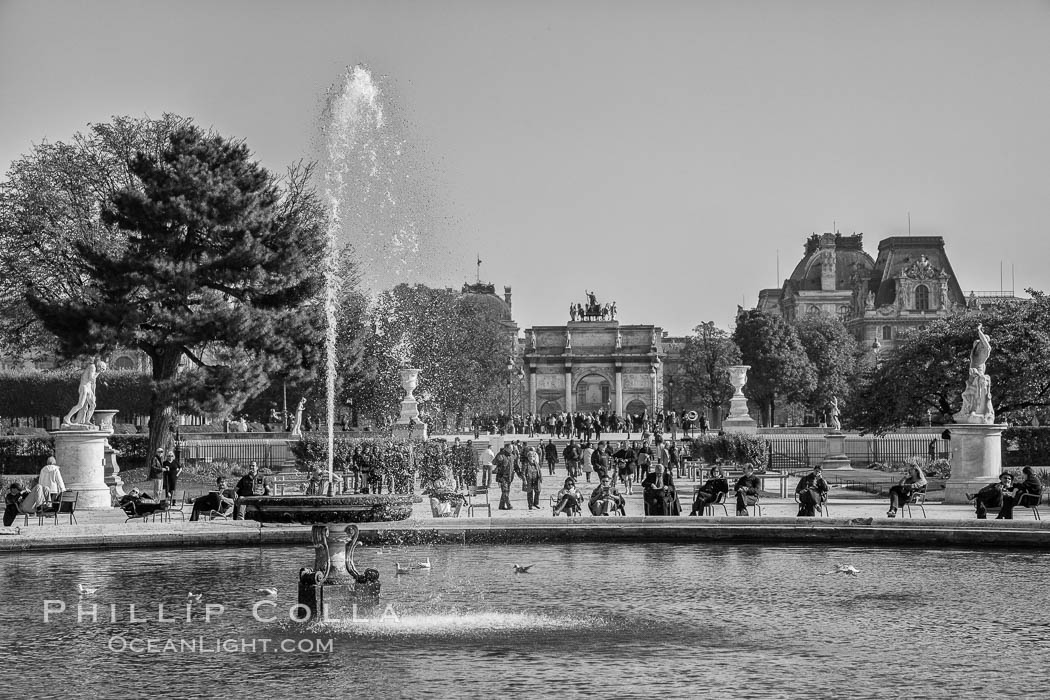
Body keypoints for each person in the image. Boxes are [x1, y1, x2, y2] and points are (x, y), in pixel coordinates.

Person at [63, 358, 107, 425]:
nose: (102, 371)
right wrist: (102, 382)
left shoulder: (97, 371)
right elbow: (91, 378)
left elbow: (93, 384)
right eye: (102, 369)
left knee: (93, 405)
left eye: (103, 370)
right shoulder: (92, 367)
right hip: (84, 387)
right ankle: (67, 417)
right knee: (80, 405)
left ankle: (87, 420)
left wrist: (94, 394)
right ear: (100, 366)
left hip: (88, 387)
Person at [494, 445, 515, 510]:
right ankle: (509, 505)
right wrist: (499, 455)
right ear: (506, 448)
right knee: (505, 491)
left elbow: (515, 466)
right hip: (502, 476)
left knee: (506, 491)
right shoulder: (501, 455)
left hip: (510, 476)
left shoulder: (512, 456)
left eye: (512, 448)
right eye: (510, 448)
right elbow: (494, 462)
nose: (511, 450)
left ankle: (501, 506)